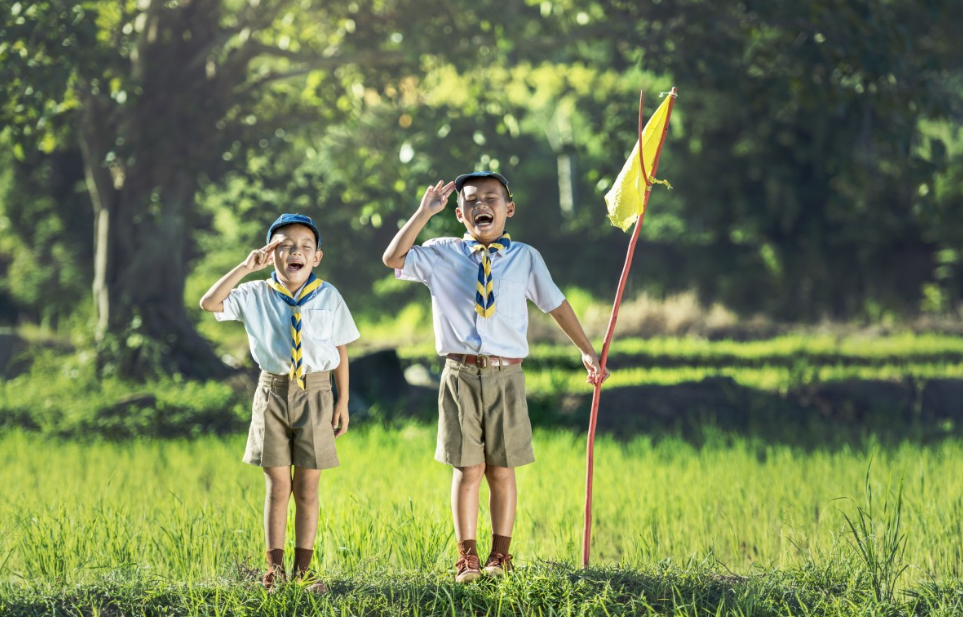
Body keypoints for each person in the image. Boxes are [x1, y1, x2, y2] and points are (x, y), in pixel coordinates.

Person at [382, 172, 607, 582]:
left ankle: (499, 557)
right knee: (467, 469)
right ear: (459, 213)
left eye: (491, 198)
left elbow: (555, 304)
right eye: (471, 201)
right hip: (460, 374)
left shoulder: (525, 257)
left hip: (507, 375)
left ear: (509, 208)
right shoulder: (440, 252)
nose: (481, 205)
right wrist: (421, 213)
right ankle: (466, 558)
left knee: (501, 470)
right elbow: (393, 259)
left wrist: (586, 349)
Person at [200, 213, 359, 593]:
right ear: (271, 253)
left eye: (305, 246)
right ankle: (274, 570)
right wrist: (244, 266)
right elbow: (209, 303)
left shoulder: (328, 295)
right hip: (272, 391)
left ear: (316, 257)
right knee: (277, 486)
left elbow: (341, 348)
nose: (295, 252)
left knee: (307, 487)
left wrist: (343, 400)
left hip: (319, 393)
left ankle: (304, 572)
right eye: (285, 245)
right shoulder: (255, 293)